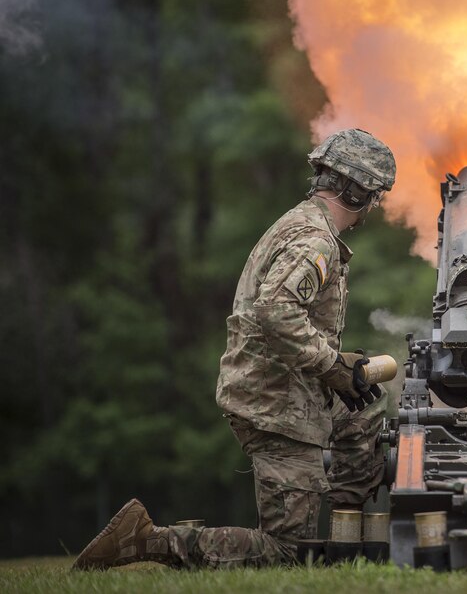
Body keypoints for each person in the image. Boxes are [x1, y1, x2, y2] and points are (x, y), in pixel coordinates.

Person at [72, 128, 396, 570]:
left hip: (290, 391)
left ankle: (349, 548)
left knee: (362, 420)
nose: (374, 207)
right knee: (286, 554)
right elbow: (276, 312)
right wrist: (332, 365)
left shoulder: (299, 224)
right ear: (356, 193)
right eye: (374, 195)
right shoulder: (315, 241)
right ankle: (148, 540)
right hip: (277, 405)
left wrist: (340, 367)